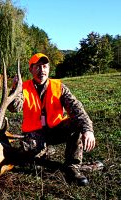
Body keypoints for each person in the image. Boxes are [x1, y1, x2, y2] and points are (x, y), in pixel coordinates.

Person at [8, 53, 96, 186]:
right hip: (35, 134)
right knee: (31, 161)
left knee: (76, 124)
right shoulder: (24, 88)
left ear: (49, 69)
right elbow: (14, 108)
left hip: (57, 130)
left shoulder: (59, 87)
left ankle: (73, 168)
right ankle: (46, 152)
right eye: (37, 67)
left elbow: (77, 109)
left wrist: (88, 130)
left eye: (44, 66)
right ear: (31, 70)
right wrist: (15, 89)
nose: (41, 70)